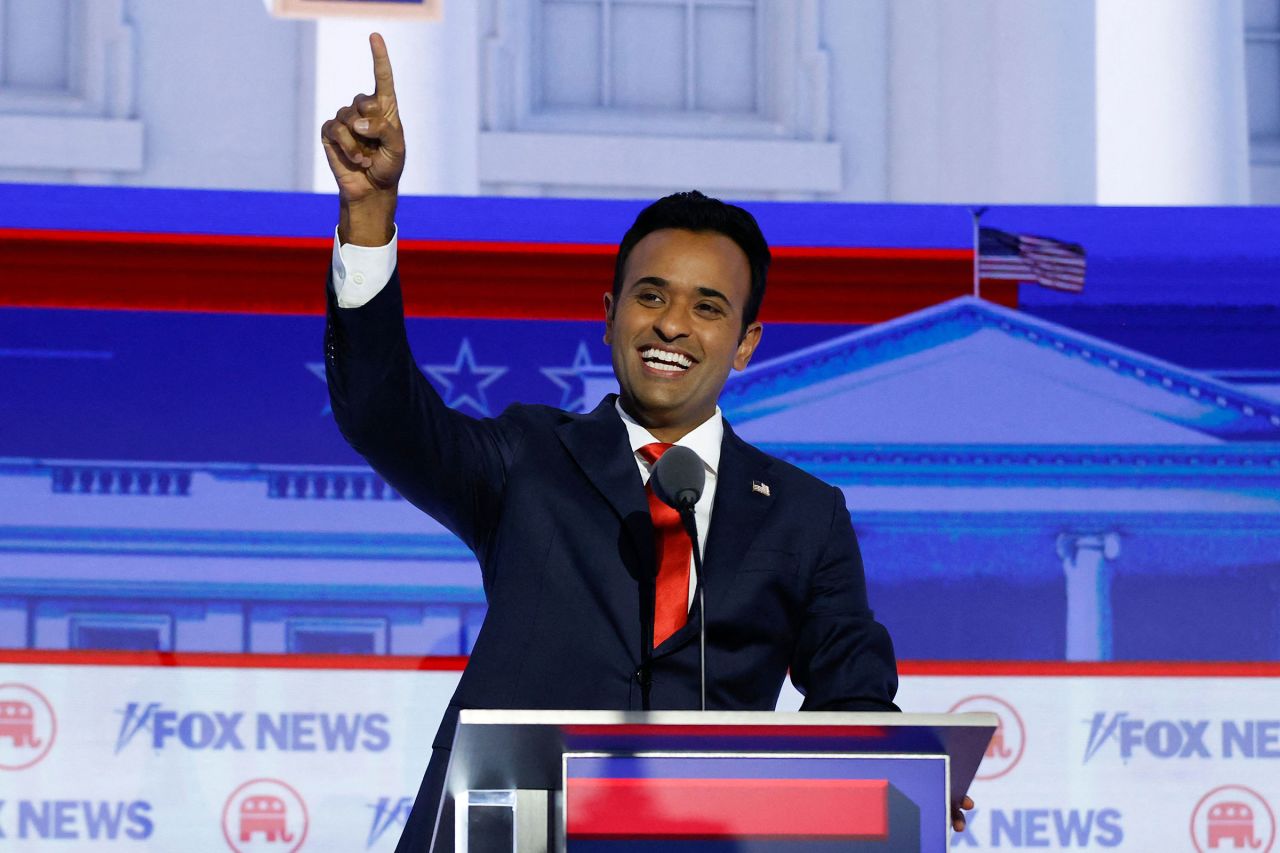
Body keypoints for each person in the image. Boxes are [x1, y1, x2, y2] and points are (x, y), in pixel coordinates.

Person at [321, 33, 969, 853]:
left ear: (745, 342)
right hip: (508, 832)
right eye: (652, 295)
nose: (671, 324)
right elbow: (382, 414)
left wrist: (898, 774)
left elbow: (854, 690)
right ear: (610, 311)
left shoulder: (803, 516)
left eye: (707, 307)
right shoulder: (530, 458)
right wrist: (369, 218)